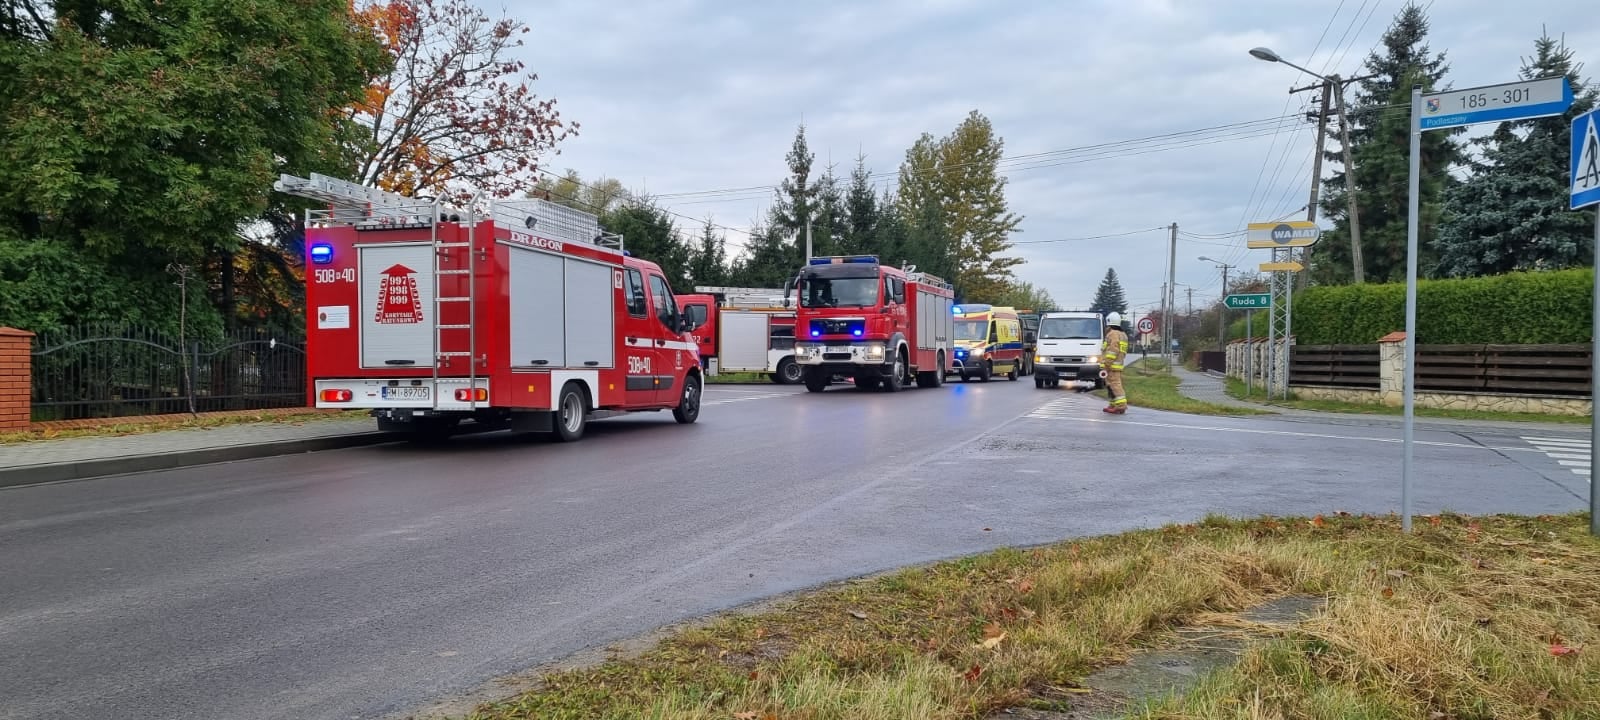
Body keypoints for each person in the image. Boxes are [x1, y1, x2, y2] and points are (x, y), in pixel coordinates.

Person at [1100, 312, 1129, 414]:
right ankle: (1113, 404)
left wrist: (1107, 364)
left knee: (1115, 385)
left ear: (1109, 322)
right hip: (1117, 365)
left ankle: (1121, 405)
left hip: (1111, 366)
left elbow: (1113, 350)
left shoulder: (1113, 334)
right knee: (1110, 386)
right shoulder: (1122, 334)